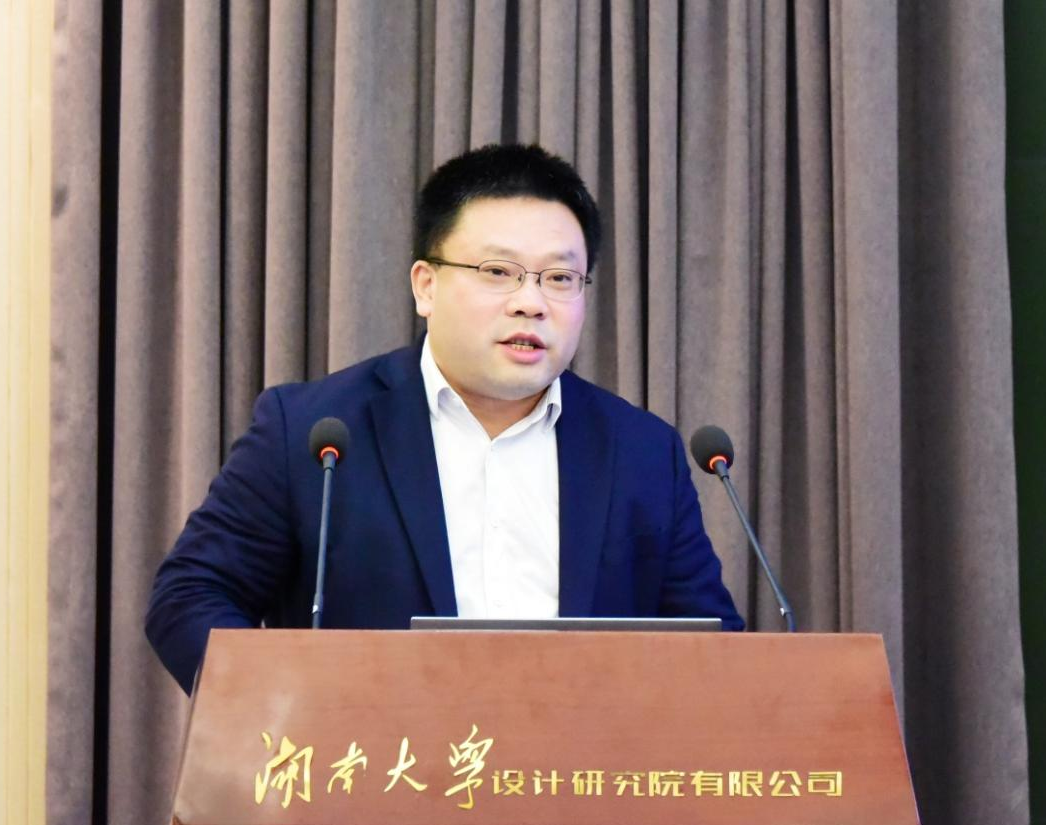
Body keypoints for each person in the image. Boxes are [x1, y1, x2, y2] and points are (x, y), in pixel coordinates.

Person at [146, 144, 744, 694]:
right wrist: (286, 713)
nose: (531, 302)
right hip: (374, 767)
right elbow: (191, 596)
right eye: (498, 272)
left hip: (579, 770)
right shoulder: (313, 432)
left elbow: (713, 647)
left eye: (560, 278)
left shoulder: (642, 451)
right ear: (425, 286)